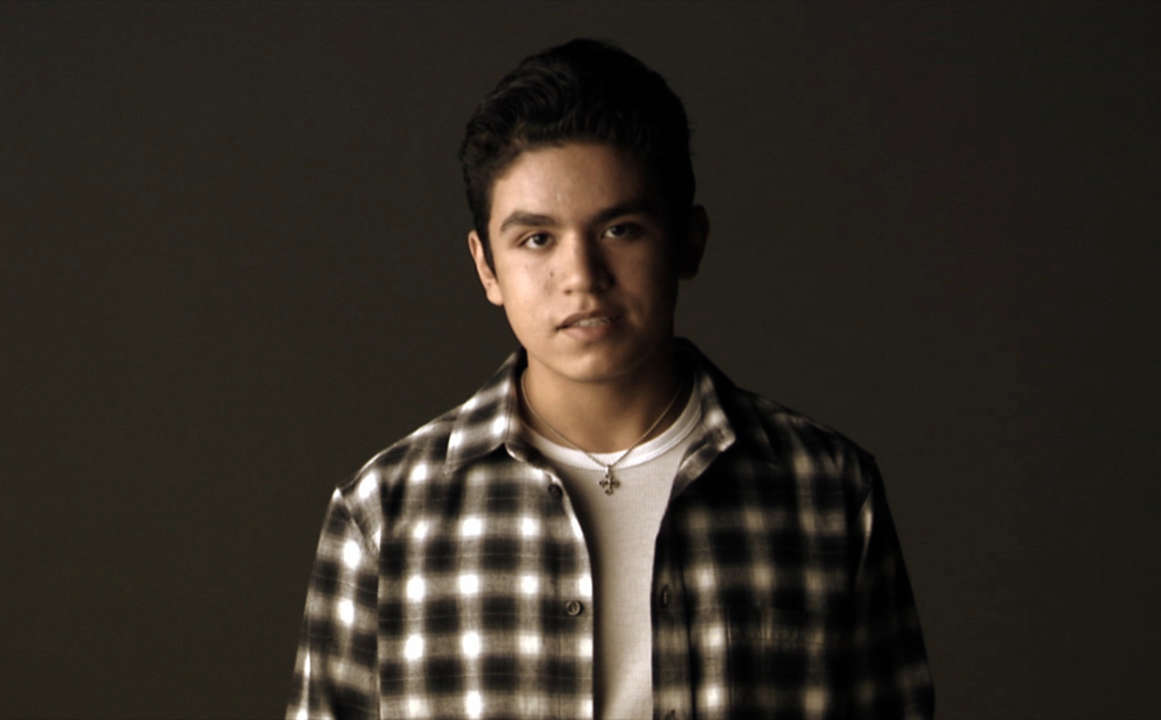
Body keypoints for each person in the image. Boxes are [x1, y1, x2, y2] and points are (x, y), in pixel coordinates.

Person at [287, 38, 934, 720]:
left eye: (621, 230)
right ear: (486, 267)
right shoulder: (385, 514)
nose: (582, 277)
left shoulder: (826, 492)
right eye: (537, 239)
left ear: (688, 241)